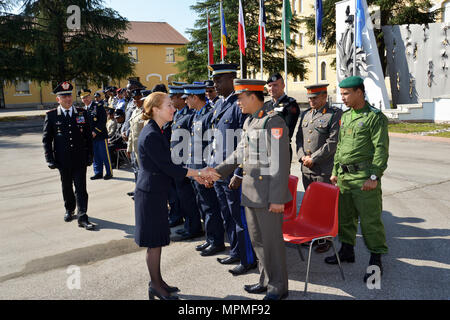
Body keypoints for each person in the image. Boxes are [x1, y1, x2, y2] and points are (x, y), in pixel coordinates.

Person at [203, 79, 291, 300]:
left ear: (253, 96)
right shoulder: (250, 122)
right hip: (250, 192)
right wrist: (216, 172)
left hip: (268, 195)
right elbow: (239, 154)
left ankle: (278, 287)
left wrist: (278, 198)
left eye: (240, 98)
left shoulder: (273, 122)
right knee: (258, 242)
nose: (238, 103)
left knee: (271, 244)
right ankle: (265, 280)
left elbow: (281, 163)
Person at [134, 91, 217, 300]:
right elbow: (169, 167)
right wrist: (199, 173)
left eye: (172, 105)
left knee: (159, 240)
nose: (174, 108)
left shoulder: (158, 130)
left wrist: (195, 176)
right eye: (168, 106)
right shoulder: (152, 134)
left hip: (156, 192)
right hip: (150, 194)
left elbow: (171, 166)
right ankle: (155, 285)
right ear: (155, 110)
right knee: (154, 243)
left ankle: (158, 281)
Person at [325, 76, 389, 284]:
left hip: (363, 178)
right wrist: (335, 170)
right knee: (345, 217)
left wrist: (374, 176)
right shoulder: (346, 116)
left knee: (370, 221)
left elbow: (381, 149)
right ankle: (346, 251)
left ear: (359, 93)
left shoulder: (374, 117)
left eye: (346, 94)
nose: (342, 98)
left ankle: (376, 261)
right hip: (344, 177)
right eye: (341, 94)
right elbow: (340, 146)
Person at [209, 63, 256, 275]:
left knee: (239, 217)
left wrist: (238, 171)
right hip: (220, 170)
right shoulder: (220, 105)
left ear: (232, 80)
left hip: (234, 173)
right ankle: (236, 251)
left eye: (219, 80)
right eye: (214, 81)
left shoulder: (239, 107)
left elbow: (246, 144)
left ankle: (248, 259)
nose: (215, 85)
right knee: (227, 215)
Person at [296, 83, 343, 253]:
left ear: (324, 96)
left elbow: (333, 142)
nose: (311, 101)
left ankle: (325, 238)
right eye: (309, 98)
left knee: (324, 205)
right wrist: (302, 156)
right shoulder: (305, 115)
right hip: (307, 168)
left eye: (315, 98)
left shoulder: (334, 114)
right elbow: (299, 139)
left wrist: (313, 158)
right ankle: (311, 235)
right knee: (311, 204)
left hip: (323, 168)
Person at [43, 81, 94, 230]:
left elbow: (88, 137)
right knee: (67, 187)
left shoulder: (81, 113)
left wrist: (90, 155)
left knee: (81, 188)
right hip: (62, 160)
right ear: (58, 99)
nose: (68, 99)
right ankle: (69, 209)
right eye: (64, 97)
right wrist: (49, 158)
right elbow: (47, 139)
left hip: (79, 158)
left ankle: (83, 216)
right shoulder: (52, 116)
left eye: (69, 96)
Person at [182, 84, 225, 254]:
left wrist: (208, 173)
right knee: (203, 206)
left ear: (194, 97)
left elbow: (212, 146)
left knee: (211, 207)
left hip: (204, 170)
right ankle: (210, 238)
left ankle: (217, 241)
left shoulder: (209, 115)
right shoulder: (196, 115)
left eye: (187, 98)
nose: (186, 101)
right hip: (195, 169)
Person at [168, 84, 203, 240]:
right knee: (183, 197)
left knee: (189, 198)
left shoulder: (190, 116)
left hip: (186, 162)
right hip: (177, 162)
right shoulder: (177, 115)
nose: (171, 100)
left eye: (173, 98)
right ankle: (189, 225)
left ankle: (194, 227)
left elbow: (192, 141)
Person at [264, 73, 300, 162]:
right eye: (269, 86)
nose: (271, 89)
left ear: (283, 86)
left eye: (275, 85)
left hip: (280, 151)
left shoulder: (290, 105)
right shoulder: (266, 105)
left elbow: (286, 131)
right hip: (265, 151)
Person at [79, 89, 113, 180]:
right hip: (90, 137)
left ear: (90, 97)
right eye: (83, 98)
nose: (85, 99)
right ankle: (98, 173)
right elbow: (81, 123)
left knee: (104, 155)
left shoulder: (98, 106)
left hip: (100, 135)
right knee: (95, 155)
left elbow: (103, 121)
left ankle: (109, 172)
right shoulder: (82, 110)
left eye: (86, 97)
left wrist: (95, 132)